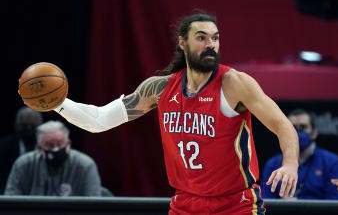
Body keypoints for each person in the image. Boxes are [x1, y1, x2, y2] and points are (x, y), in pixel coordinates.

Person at [28, 13, 299, 214]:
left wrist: (290, 164)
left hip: (235, 204)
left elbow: (282, 125)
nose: (211, 45)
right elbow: (98, 121)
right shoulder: (159, 88)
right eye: (201, 38)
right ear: (182, 43)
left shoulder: (235, 83)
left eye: (215, 38)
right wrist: (57, 103)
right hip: (185, 202)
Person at [4, 120, 102, 196]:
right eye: (49, 145)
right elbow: (11, 200)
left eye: (60, 144)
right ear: (39, 148)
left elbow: (94, 204)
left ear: (68, 145)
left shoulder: (85, 166)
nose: (55, 149)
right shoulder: (24, 165)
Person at [261, 109, 338, 200]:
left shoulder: (333, 162)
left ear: (314, 133)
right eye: (293, 128)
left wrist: (301, 207)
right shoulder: (273, 163)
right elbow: (266, 200)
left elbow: (334, 202)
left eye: (303, 127)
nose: (297, 132)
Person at [0, 106, 43, 194]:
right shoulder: (4, 146)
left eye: (32, 125)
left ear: (40, 126)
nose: (28, 129)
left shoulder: (46, 146)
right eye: (24, 125)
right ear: (17, 126)